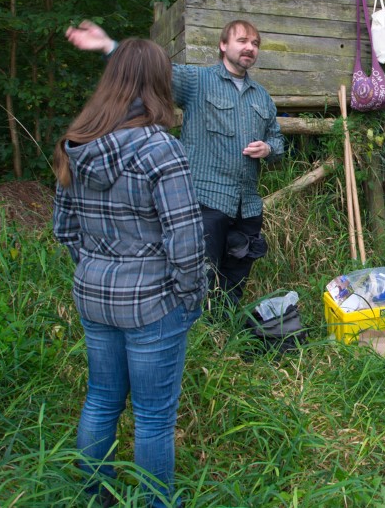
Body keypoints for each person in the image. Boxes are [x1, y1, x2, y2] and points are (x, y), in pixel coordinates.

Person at [52, 38, 207, 507]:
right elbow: (186, 243)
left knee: (101, 399)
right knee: (154, 417)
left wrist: (98, 267)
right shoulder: (162, 150)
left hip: (94, 294)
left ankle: (94, 496)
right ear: (159, 84)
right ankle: (158, 503)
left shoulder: (76, 144)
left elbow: (65, 229)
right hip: (153, 304)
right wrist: (190, 297)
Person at [66, 19, 285, 311]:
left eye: (255, 44)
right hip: (206, 201)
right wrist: (109, 46)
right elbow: (151, 72)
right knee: (201, 276)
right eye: (242, 41)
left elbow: (278, 142)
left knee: (236, 277)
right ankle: (201, 337)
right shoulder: (197, 81)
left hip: (247, 207)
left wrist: (268, 148)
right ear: (222, 45)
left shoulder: (262, 97)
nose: (249, 48)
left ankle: (225, 330)